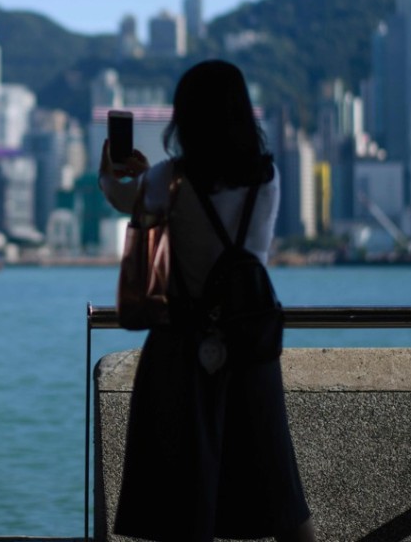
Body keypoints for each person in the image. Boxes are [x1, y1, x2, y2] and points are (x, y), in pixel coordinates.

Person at [98, 60, 315, 542]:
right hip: (250, 341)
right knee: (277, 481)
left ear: (185, 117)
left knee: (183, 493)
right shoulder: (269, 178)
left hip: (182, 345)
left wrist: (109, 176)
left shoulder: (168, 179)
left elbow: (121, 199)